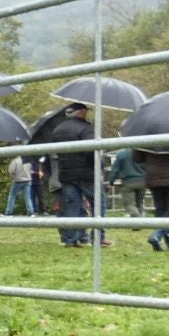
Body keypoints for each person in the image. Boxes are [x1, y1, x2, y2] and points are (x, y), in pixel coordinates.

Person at [44, 103, 107, 247]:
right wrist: (101, 165)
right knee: (98, 203)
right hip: (86, 173)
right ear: (81, 112)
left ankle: (71, 239)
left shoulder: (57, 130)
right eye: (86, 111)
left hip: (66, 174)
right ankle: (98, 237)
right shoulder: (86, 128)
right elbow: (91, 151)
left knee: (72, 206)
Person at [137, 148, 169, 249]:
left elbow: (137, 158)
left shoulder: (146, 136)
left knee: (160, 209)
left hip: (154, 176)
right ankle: (157, 234)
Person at [108, 146, 147, 218]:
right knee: (139, 203)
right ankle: (140, 222)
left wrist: (111, 182)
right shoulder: (141, 153)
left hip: (128, 182)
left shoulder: (121, 154)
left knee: (129, 204)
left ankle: (137, 219)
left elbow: (115, 170)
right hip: (142, 181)